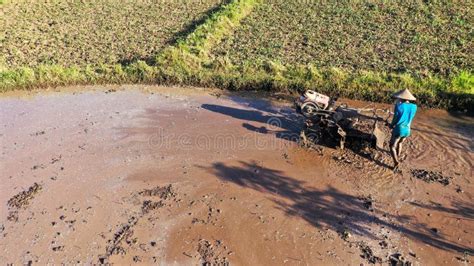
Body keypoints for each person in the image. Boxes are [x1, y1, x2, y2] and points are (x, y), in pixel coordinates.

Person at [389, 89, 417, 169]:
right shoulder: (414, 107)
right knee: (400, 143)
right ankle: (398, 155)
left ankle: (396, 162)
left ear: (401, 98)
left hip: (399, 129)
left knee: (392, 146)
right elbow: (409, 117)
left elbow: (395, 119)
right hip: (407, 130)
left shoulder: (399, 106)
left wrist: (391, 125)